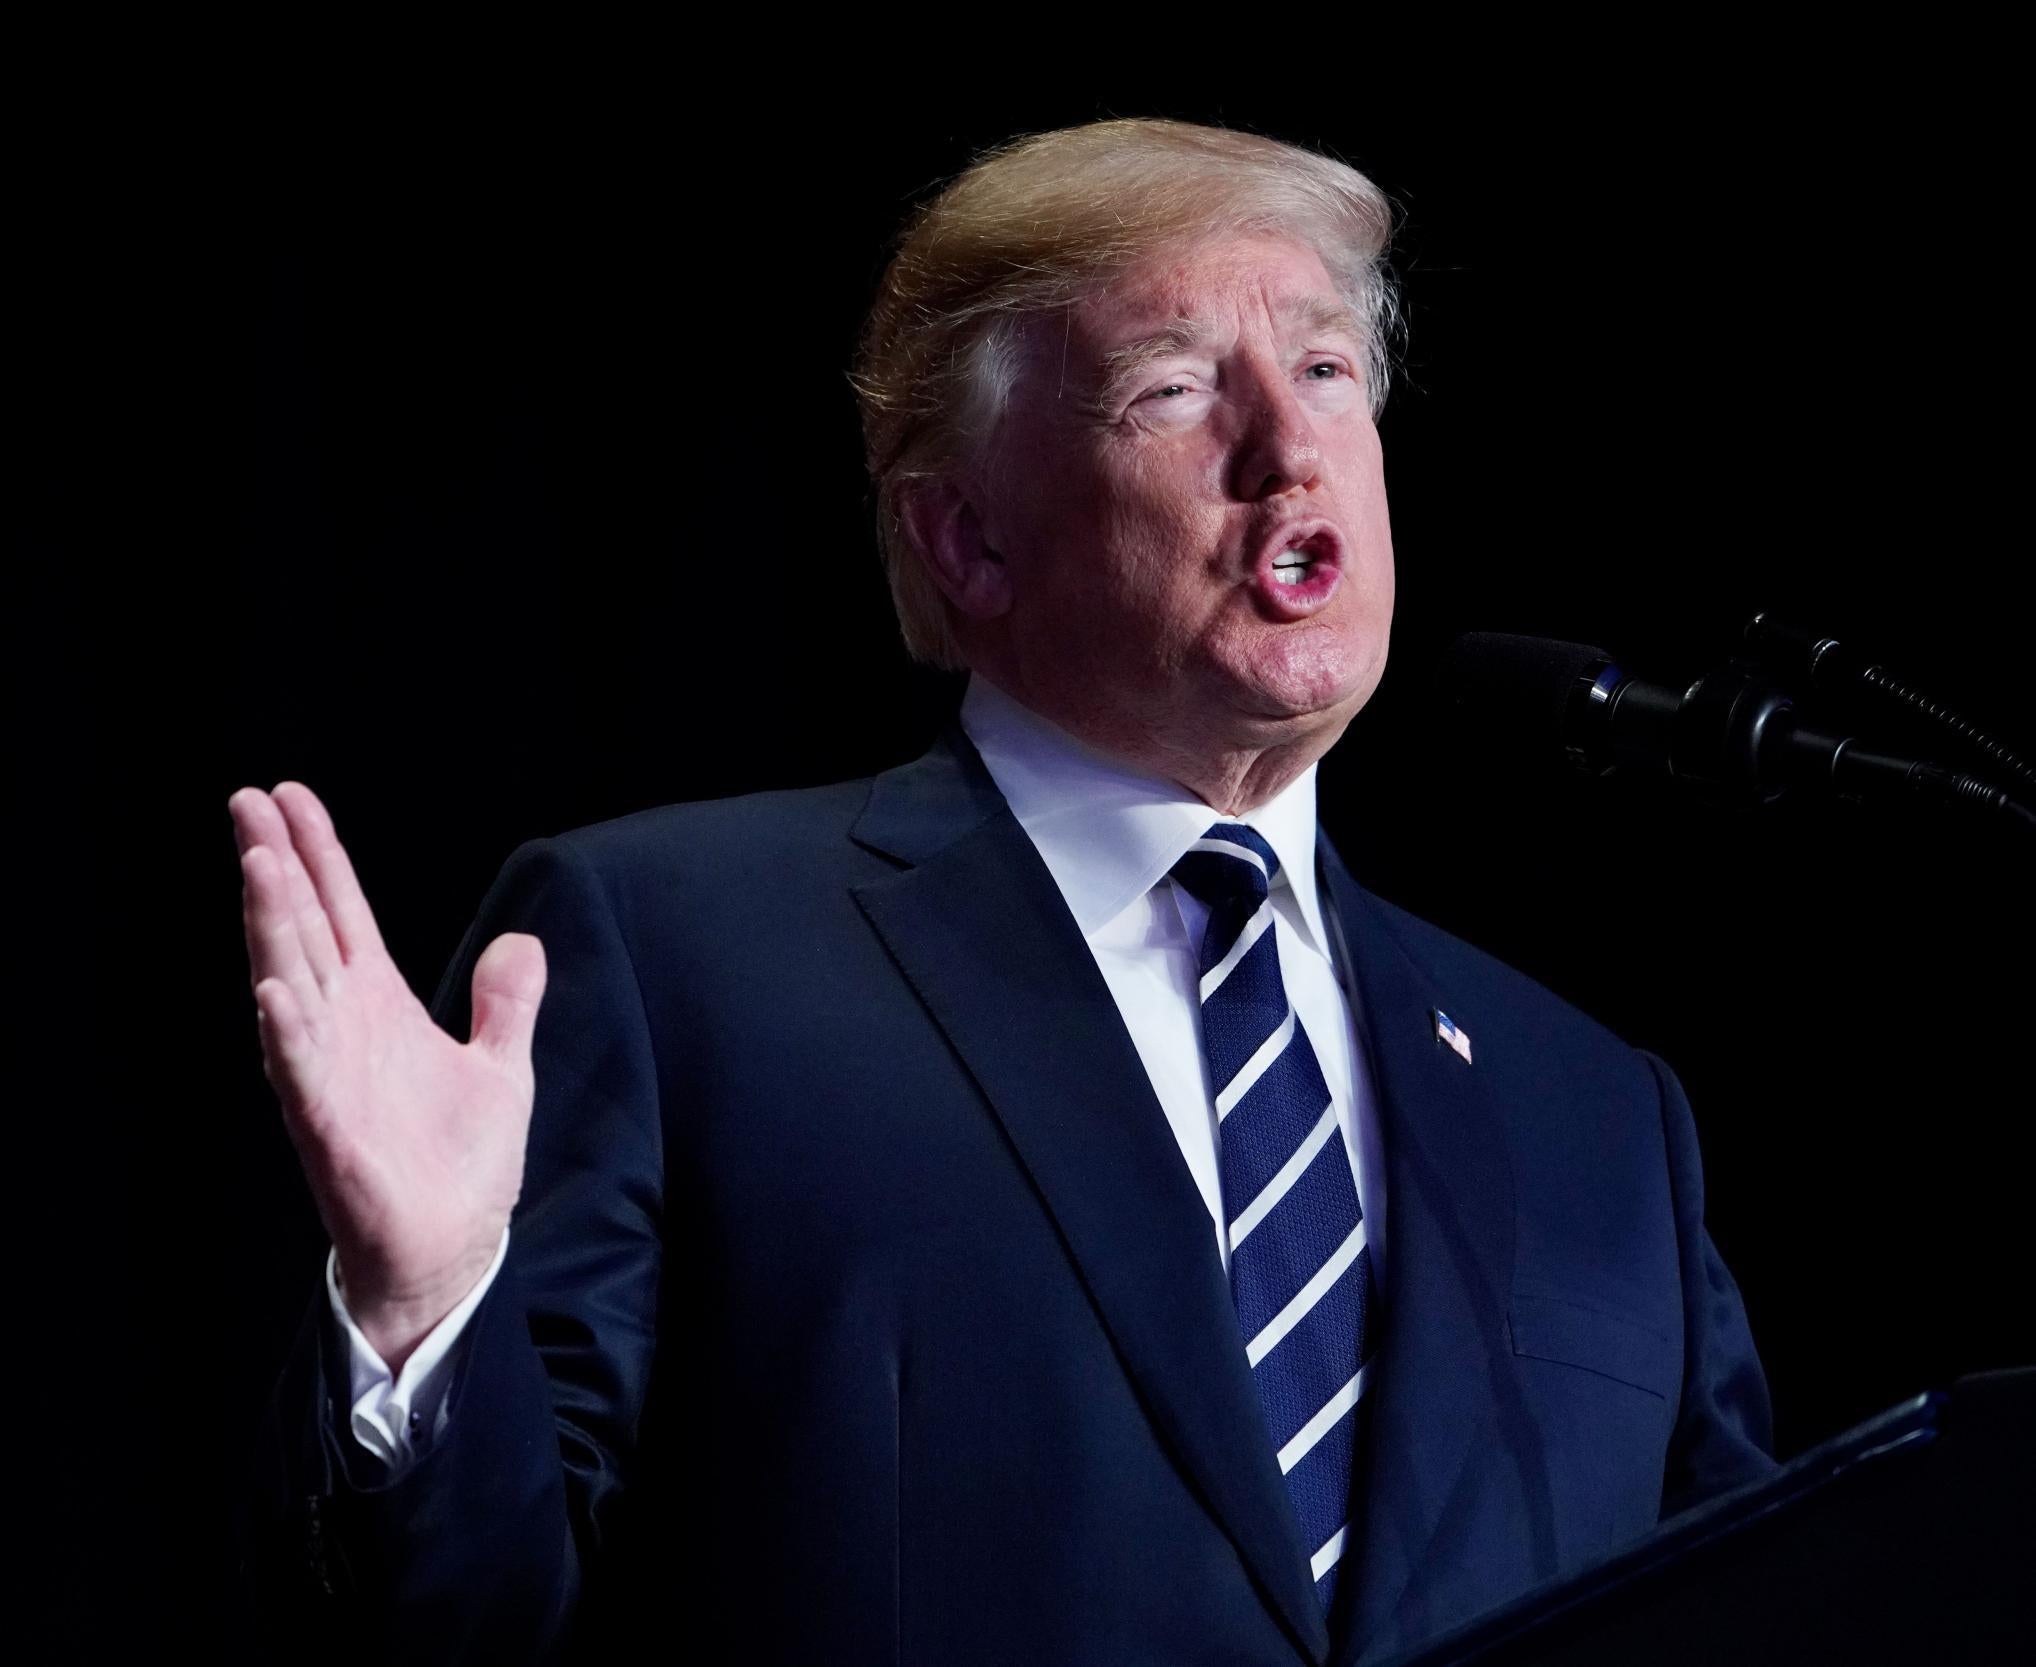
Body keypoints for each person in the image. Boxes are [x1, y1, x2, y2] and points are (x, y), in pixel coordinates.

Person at [231, 119, 1774, 1664]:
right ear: (967, 538)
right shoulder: (679, 956)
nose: (1287, 450)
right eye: (1174, 388)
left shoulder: (1598, 1118)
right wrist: (428, 1317)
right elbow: (478, 1628)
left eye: (1322, 372)